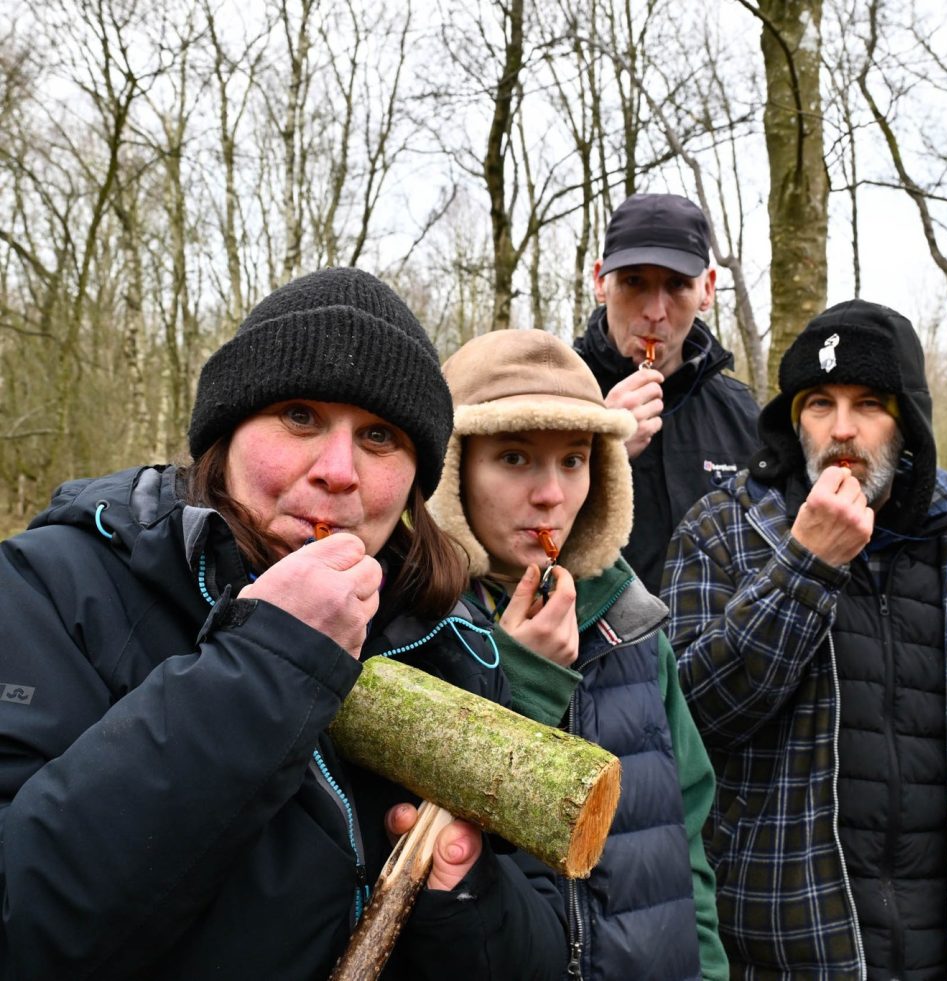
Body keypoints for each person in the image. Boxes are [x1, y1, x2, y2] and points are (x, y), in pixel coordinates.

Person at [0, 268, 566, 980]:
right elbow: (23, 924)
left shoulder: (452, 638)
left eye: (380, 435)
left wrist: (466, 891)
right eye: (300, 415)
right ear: (226, 432)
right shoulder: (52, 586)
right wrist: (273, 660)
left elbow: (547, 945)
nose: (338, 470)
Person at [664, 299, 947, 980]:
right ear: (795, 421)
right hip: (787, 946)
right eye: (819, 402)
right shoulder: (723, 530)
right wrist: (807, 564)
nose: (842, 430)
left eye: (869, 404)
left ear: (907, 422)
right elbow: (694, 721)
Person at [427, 328, 728, 981]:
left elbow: (688, 840)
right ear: (452, 473)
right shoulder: (410, 625)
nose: (552, 495)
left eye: (573, 459)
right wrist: (516, 676)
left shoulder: (634, 624)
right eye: (513, 457)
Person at [574, 192, 759, 595]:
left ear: (707, 290)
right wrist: (597, 450)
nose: (655, 311)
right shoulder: (553, 392)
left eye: (677, 285)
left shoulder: (744, 415)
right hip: (583, 651)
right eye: (634, 282)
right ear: (600, 282)